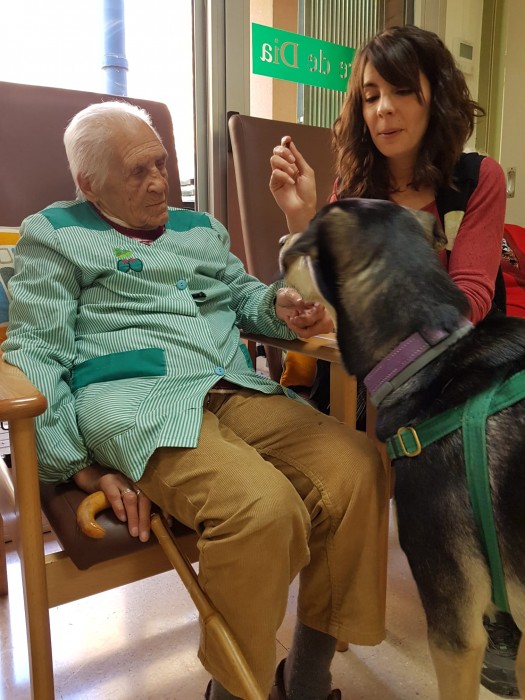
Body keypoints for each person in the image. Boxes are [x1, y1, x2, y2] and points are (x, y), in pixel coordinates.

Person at [1, 100, 389, 700]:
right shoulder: (53, 235)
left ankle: (306, 680)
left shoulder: (200, 229)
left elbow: (245, 298)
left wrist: (282, 305)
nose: (159, 182)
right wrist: (78, 469)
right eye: (138, 172)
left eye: (160, 163)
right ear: (89, 184)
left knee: (358, 467)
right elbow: (36, 352)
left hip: (230, 384)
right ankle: (231, 693)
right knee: (262, 508)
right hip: (136, 404)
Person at [270, 23, 520, 699]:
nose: (382, 109)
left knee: (484, 464)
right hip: (374, 382)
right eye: (369, 94)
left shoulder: (476, 178)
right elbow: (328, 303)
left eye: (401, 90)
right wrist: (302, 226)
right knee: (349, 484)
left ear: (435, 94)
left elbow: (471, 298)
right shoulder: (353, 189)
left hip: (458, 378)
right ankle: (315, 665)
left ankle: (497, 605)